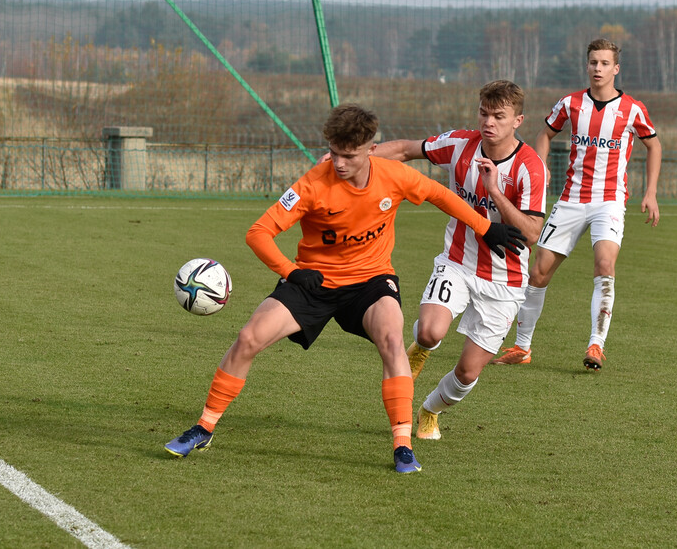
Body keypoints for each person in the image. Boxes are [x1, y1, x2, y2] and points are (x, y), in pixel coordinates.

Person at [164, 103, 525, 474]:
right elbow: (258, 233)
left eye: (348, 156)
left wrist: (486, 227)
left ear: (371, 149)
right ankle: (203, 428)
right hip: (312, 281)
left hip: (370, 281)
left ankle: (402, 446)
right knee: (249, 338)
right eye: (334, 153)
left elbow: (439, 194)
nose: (338, 163)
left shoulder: (393, 175)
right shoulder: (313, 183)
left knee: (392, 340)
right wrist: (291, 271)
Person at [371, 80, 546, 441]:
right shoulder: (460, 144)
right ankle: (420, 350)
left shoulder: (531, 167)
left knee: (467, 372)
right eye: (484, 113)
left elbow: (531, 232)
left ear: (518, 120)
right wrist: (358, 155)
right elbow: (405, 149)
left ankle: (430, 411)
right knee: (429, 330)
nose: (489, 122)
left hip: (505, 280)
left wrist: (495, 189)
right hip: (457, 262)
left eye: (499, 116)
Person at [491, 38, 662, 371]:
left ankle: (596, 346)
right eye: (592, 62)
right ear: (587, 65)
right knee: (538, 273)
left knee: (604, 265)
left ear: (616, 68)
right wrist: (538, 173)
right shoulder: (570, 104)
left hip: (609, 201)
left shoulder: (632, 109)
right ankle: (522, 348)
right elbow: (544, 135)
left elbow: (654, 146)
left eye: (604, 63)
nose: (597, 69)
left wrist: (651, 191)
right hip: (570, 200)